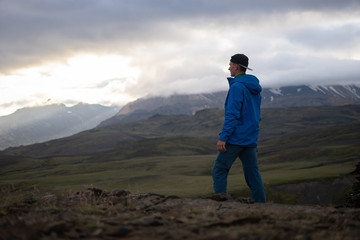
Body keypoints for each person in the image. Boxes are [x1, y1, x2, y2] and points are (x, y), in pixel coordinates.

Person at [212, 53, 266, 203]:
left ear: (236, 66)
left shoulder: (237, 87)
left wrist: (223, 137)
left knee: (219, 170)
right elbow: (255, 114)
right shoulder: (254, 88)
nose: (228, 68)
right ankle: (261, 205)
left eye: (230, 65)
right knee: (253, 174)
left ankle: (221, 205)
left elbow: (232, 115)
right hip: (250, 139)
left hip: (235, 139)